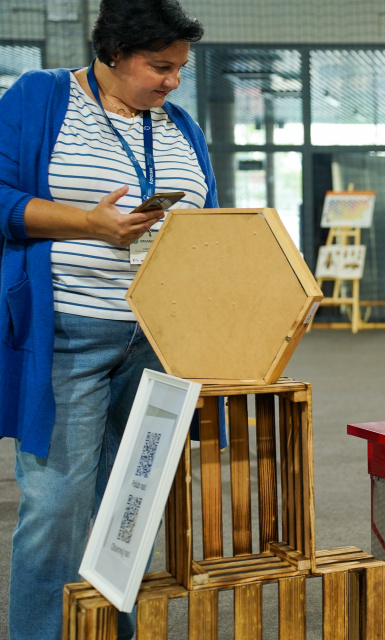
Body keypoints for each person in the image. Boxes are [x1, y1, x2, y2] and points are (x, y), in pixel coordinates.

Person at [0, 1, 216, 638]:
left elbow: (208, 224)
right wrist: (89, 222)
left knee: (130, 506)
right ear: (114, 54)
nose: (174, 81)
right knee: (57, 504)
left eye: (181, 68)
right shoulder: (42, 98)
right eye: (160, 66)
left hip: (157, 345)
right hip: (68, 334)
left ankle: (108, 632)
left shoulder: (179, 125)